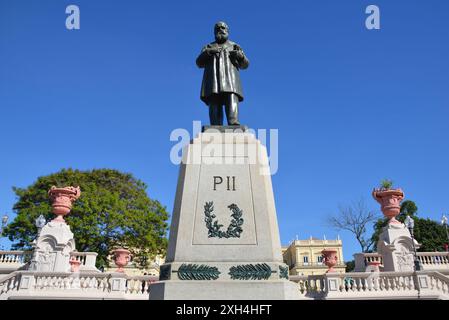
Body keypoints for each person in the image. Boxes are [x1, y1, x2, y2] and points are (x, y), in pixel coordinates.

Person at [196, 21, 249, 125]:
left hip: (231, 79)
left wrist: (240, 56)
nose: (220, 29)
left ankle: (233, 122)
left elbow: (245, 64)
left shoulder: (234, 46)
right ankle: (215, 125)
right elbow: (199, 63)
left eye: (223, 28)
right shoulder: (208, 46)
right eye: (217, 28)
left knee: (231, 97)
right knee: (214, 100)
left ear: (227, 31)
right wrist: (208, 52)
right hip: (213, 80)